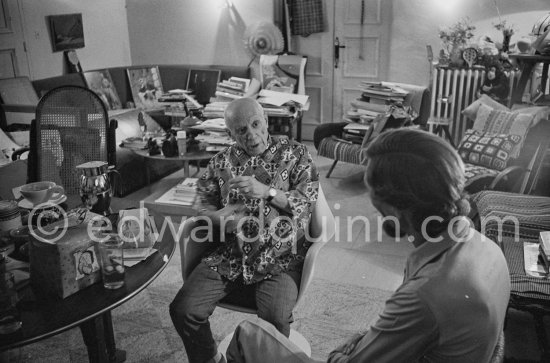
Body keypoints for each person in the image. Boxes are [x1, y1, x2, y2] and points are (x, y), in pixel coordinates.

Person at [225, 128, 511, 363]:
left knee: (246, 335)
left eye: (371, 192)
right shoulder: (486, 247)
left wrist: (339, 353)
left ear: (396, 209)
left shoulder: (427, 293)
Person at [169, 97, 319, 363]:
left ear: (265, 121)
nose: (251, 135)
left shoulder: (296, 154)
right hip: (230, 254)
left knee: (273, 322)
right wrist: (217, 218)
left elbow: (306, 202)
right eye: (242, 130)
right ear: (231, 134)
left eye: (255, 124)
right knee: (183, 309)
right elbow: (202, 209)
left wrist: (268, 192)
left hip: (280, 256)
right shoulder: (218, 163)